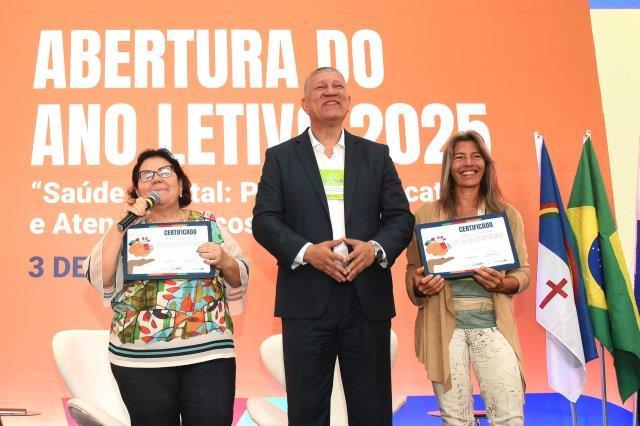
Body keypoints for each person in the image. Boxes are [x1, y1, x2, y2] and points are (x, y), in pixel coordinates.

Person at [252, 67, 414, 425]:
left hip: (366, 297)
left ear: (348, 101)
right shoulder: (280, 157)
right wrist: (307, 252)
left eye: (338, 86)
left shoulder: (376, 155)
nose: (331, 91)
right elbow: (264, 220)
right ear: (304, 103)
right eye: (321, 87)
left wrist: (375, 248)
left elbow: (401, 218)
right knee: (307, 411)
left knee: (372, 410)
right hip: (306, 298)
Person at [83, 148, 249, 426]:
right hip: (140, 360)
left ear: (180, 183)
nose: (156, 179)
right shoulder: (127, 227)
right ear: (137, 189)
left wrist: (224, 260)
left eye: (164, 172)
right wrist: (123, 223)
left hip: (208, 354)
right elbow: (102, 276)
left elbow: (238, 276)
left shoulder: (207, 224)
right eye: (146, 175)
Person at [405, 130, 530, 426]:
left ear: (485, 163)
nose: (468, 163)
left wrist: (504, 283)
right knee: (455, 419)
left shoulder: (507, 214)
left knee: (509, 417)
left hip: (494, 325)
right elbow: (412, 271)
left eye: (475, 156)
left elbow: (523, 273)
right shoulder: (426, 215)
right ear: (449, 165)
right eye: (459, 157)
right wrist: (420, 287)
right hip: (443, 328)